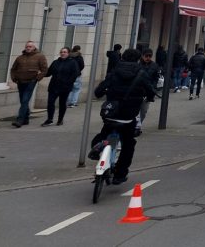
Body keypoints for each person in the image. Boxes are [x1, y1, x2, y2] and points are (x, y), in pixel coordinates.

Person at [88, 48, 155, 185]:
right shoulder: (141, 73)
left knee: (104, 132)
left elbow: (99, 91)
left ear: (123, 57)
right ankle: (120, 174)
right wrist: (150, 97)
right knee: (128, 144)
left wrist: (103, 93)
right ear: (138, 58)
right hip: (128, 114)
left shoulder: (115, 71)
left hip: (111, 112)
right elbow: (150, 89)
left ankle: (98, 145)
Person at [9, 41, 47, 127]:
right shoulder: (20, 58)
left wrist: (37, 78)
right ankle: (26, 118)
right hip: (20, 81)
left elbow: (44, 70)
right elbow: (13, 69)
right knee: (23, 101)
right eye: (27, 46)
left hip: (31, 82)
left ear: (34, 48)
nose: (28, 48)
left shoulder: (40, 56)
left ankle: (20, 120)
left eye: (30, 46)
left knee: (25, 100)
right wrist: (14, 78)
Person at [43, 48, 80, 126]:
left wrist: (68, 82)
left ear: (68, 53)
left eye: (65, 52)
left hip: (65, 87)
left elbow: (75, 74)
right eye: (61, 52)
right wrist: (41, 73)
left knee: (62, 104)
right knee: (50, 103)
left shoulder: (72, 63)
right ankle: (50, 119)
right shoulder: (55, 62)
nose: (63, 53)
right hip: (53, 86)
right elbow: (49, 73)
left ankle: (60, 119)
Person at [136, 49, 161, 135]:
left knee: (143, 111)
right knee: (136, 110)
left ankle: (139, 125)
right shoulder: (137, 65)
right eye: (146, 56)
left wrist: (153, 88)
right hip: (137, 91)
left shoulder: (154, 66)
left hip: (148, 92)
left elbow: (155, 78)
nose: (148, 58)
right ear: (142, 56)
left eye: (150, 56)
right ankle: (137, 127)